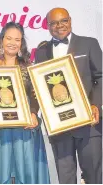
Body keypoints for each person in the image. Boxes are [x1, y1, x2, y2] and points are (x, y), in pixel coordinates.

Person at [35, 8, 102, 184]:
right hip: (59, 126)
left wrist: (95, 104)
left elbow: (100, 77)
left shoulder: (89, 43)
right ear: (48, 26)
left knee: (94, 175)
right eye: (54, 23)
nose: (59, 26)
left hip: (89, 123)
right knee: (65, 177)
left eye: (63, 21)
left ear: (70, 21)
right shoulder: (41, 52)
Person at [0, 22, 50, 184]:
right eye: (9, 38)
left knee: (26, 172)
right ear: (2, 40)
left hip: (24, 125)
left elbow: (35, 96)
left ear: (21, 43)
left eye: (17, 39)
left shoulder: (28, 67)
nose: (12, 43)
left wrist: (33, 113)